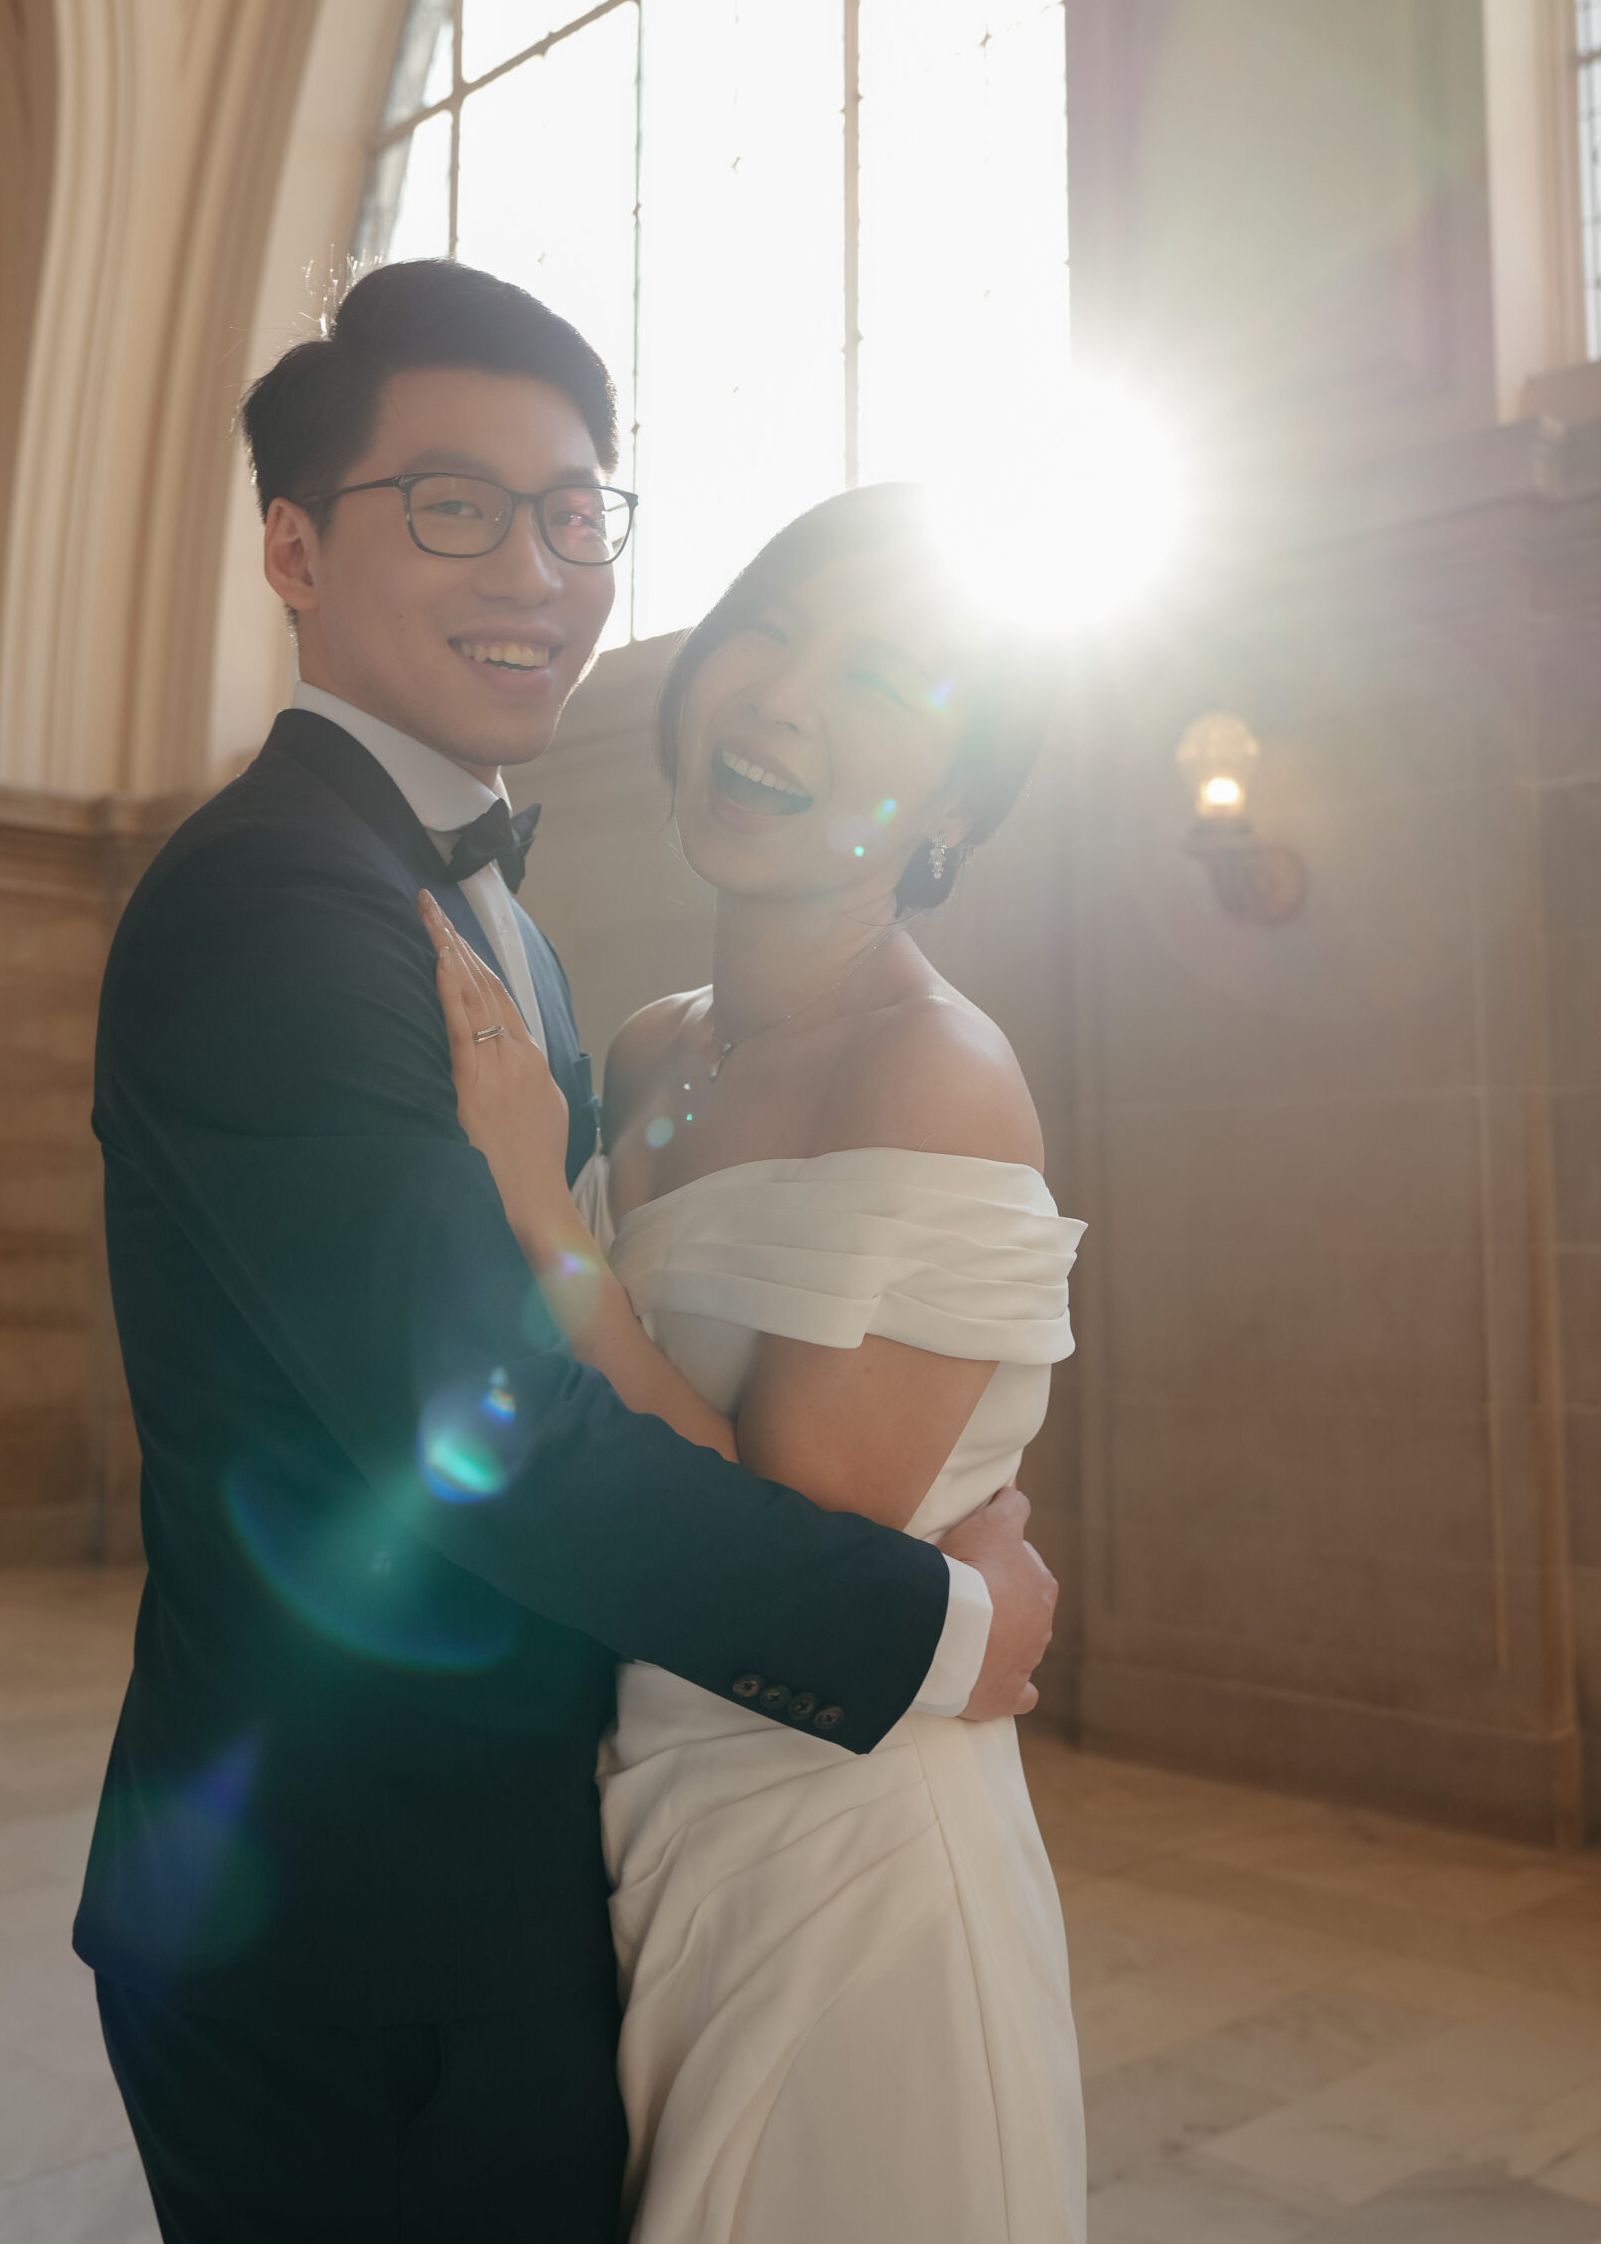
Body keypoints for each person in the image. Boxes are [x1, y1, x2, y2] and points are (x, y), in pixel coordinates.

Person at [75, 259, 1059, 2243]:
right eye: (449, 505)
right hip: (353, 1915)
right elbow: (490, 1433)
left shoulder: (496, 928)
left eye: (572, 510)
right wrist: (944, 1625)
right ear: (291, 543)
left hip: (570, 1855)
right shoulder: (285, 901)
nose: (530, 565)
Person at [422, 480, 1087, 2242]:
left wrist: (538, 1216)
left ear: (953, 797)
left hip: (844, 1860)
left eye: (878, 674)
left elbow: (779, 1558)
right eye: (770, 629)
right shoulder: (646, 1048)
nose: (782, 697)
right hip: (643, 1824)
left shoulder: (935, 1076)